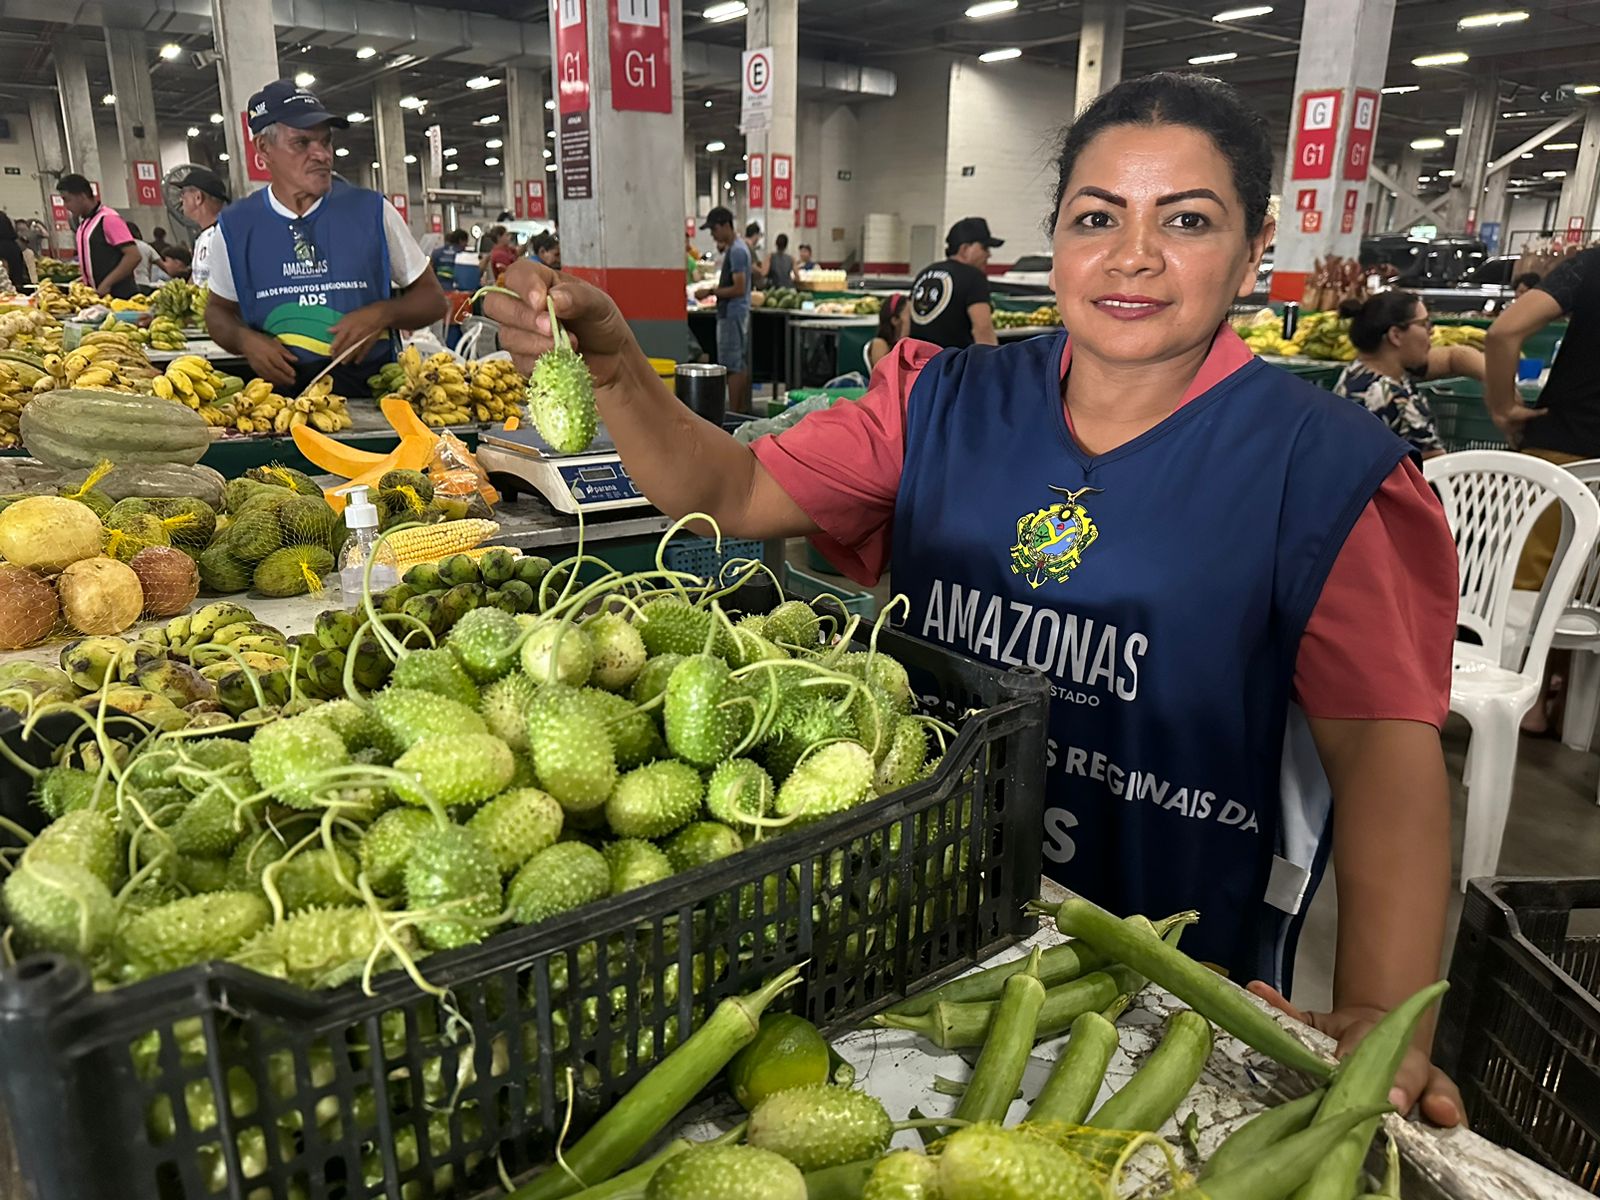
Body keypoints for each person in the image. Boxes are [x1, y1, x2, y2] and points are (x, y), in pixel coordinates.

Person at [484, 72, 1466, 1123]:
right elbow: (729, 489)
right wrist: (623, 371)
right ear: (1052, 238)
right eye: (1097, 218)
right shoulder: (940, 400)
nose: (1133, 255)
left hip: (1150, 968)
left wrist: (1378, 1009)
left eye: (1186, 220)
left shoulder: (1325, 471)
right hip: (901, 928)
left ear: (1255, 243)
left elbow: (1384, 761)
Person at [205, 79, 446, 396]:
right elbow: (217, 311)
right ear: (264, 148)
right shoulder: (236, 226)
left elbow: (434, 300)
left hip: (374, 401)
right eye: (302, 143)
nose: (321, 154)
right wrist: (244, 340)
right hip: (278, 409)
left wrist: (384, 313)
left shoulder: (372, 211)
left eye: (326, 142)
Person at [1332, 292, 1484, 459]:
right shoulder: (1392, 398)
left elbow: (1454, 358)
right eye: (1424, 324)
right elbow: (1437, 469)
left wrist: (1502, 385)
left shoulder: (1357, 373)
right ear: (1396, 335)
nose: (1431, 332)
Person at [909, 217, 1001, 349]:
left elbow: (906, 321)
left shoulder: (924, 273)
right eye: (984, 248)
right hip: (953, 365)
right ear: (964, 249)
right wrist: (993, 364)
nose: (989, 255)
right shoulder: (974, 277)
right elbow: (982, 329)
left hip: (919, 363)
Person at [695, 205, 752, 413]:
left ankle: (735, 414)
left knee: (733, 367)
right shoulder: (739, 247)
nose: (713, 234)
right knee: (738, 364)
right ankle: (740, 410)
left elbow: (738, 287)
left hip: (731, 315)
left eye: (714, 229)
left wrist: (710, 291)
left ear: (726, 225)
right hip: (736, 314)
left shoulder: (737, 251)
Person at [56, 173, 140, 300]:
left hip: (120, 299)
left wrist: (107, 283)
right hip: (98, 300)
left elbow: (133, 256)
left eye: (67, 200)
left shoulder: (108, 218)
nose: (65, 206)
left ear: (82, 196)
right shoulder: (84, 224)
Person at [176, 166, 229, 290]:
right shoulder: (202, 236)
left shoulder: (226, 235)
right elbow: (196, 279)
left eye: (183, 194)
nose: (180, 199)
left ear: (198, 197)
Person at [866, 292, 910, 371]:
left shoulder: (911, 343)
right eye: (909, 314)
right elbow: (884, 377)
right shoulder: (880, 344)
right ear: (895, 320)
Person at [125, 222, 167, 288]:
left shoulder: (118, 247)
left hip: (127, 286)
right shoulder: (145, 246)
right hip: (144, 283)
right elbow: (163, 266)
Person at [0, 213, 33, 291]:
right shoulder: (15, 246)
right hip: (19, 288)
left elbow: (4, 272)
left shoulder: (2, 248)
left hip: (6, 293)